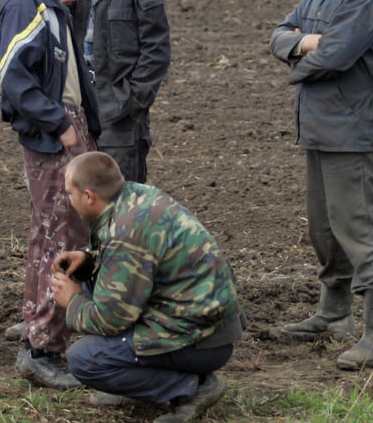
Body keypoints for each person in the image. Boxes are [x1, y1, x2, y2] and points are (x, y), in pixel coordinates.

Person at [268, 0, 373, 370]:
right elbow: (278, 35)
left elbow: (338, 55)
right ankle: (334, 312)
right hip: (319, 127)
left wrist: (297, 66)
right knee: (324, 228)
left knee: (359, 227)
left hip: (351, 128)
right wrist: (303, 43)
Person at [52, 152, 241, 423]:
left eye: (70, 193)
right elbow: (127, 265)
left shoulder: (126, 232)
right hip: (204, 324)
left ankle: (192, 389)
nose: (68, 200)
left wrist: (72, 302)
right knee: (92, 278)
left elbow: (109, 321)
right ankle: (141, 386)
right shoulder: (134, 197)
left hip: (202, 341)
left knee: (85, 359)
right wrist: (88, 259)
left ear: (89, 196)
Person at [0, 0, 101, 389]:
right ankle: (43, 348)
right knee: (61, 238)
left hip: (66, 123)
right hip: (55, 129)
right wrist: (60, 123)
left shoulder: (45, 0)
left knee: (50, 235)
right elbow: (13, 76)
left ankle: (38, 332)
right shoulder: (24, 3)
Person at [57, 0, 171, 183]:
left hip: (120, 113)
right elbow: (45, 40)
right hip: (74, 108)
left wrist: (132, 103)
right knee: (76, 204)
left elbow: (156, 47)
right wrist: (58, 7)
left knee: (122, 206)